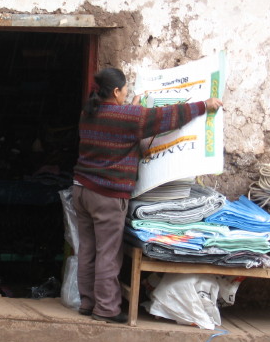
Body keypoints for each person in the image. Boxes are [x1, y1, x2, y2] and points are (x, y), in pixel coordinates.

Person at [72, 67, 223, 323]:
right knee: (108, 252)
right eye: (125, 90)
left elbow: (119, 123)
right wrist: (203, 105)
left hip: (81, 190)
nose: (127, 93)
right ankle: (105, 308)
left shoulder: (88, 112)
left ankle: (87, 302)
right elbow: (166, 117)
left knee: (87, 249)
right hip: (107, 195)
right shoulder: (129, 117)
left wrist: (131, 108)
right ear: (116, 91)